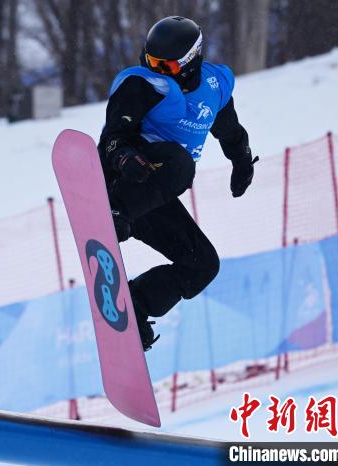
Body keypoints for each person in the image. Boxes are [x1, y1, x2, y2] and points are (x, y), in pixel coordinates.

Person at [98, 16, 258, 351]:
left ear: (189, 63)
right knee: (180, 164)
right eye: (150, 60)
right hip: (125, 180)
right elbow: (113, 137)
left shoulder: (213, 88)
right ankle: (113, 211)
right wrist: (123, 158)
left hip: (152, 197)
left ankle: (136, 303)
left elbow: (229, 131)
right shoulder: (143, 84)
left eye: (164, 64)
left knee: (202, 265)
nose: (154, 68)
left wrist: (242, 161)